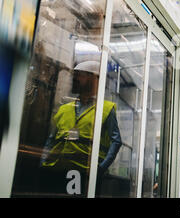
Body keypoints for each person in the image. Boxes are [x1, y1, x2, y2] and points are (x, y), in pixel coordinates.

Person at [40, 60, 122, 197]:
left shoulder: (106, 109)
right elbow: (51, 138)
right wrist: (43, 161)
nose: (75, 79)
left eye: (80, 75)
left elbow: (116, 141)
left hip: (85, 171)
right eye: (75, 76)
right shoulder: (64, 108)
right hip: (57, 168)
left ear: (93, 79)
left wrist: (100, 168)